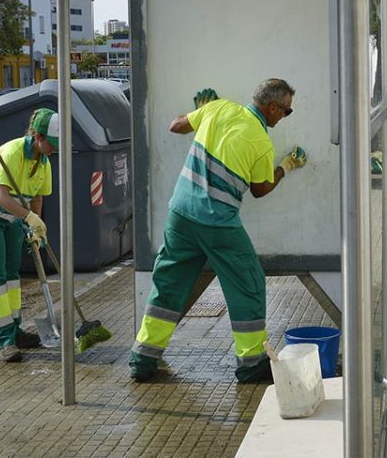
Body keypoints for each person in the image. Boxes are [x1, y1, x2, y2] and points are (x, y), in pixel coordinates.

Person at [130, 79, 307, 383]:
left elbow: (176, 126)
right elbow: (260, 189)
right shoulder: (262, 142)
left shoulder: (218, 107)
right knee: (247, 282)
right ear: (273, 107)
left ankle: (142, 359)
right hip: (218, 223)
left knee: (168, 284)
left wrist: (201, 113)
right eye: (287, 111)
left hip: (180, 214)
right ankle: (251, 364)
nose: (285, 116)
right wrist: (287, 166)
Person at [0, 108, 59, 362]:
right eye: (52, 142)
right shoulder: (12, 152)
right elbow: (0, 197)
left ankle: (15, 331)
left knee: (11, 273)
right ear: (37, 136)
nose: (54, 148)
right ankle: (4, 341)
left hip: (12, 218)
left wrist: (35, 226)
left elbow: (37, 197)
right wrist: (28, 217)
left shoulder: (44, 162)